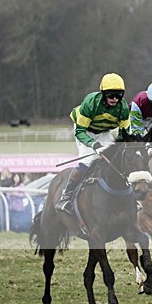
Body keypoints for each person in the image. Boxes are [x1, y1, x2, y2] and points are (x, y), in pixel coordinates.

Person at [56, 73, 131, 214]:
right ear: (103, 93)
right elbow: (80, 132)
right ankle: (66, 196)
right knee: (88, 160)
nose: (115, 99)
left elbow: (124, 134)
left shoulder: (123, 108)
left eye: (118, 95)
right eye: (111, 95)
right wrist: (94, 145)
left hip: (103, 132)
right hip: (85, 131)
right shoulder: (91, 102)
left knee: (117, 160)